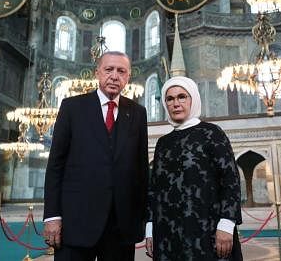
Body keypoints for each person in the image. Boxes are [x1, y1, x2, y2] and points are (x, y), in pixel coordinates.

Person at [43, 51, 149, 261]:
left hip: (120, 227)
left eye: (121, 71)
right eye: (109, 69)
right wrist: (52, 216)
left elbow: (141, 169)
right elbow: (56, 165)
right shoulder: (72, 107)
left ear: (128, 77)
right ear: (97, 73)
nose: (114, 76)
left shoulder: (138, 112)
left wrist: (146, 221)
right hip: (75, 223)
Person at [145, 76, 242, 260]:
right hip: (168, 234)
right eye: (170, 99)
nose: (176, 103)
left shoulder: (212, 133)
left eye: (182, 97)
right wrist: (150, 228)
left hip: (208, 230)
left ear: (193, 99)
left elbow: (230, 179)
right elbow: (154, 190)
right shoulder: (163, 143)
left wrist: (227, 223)